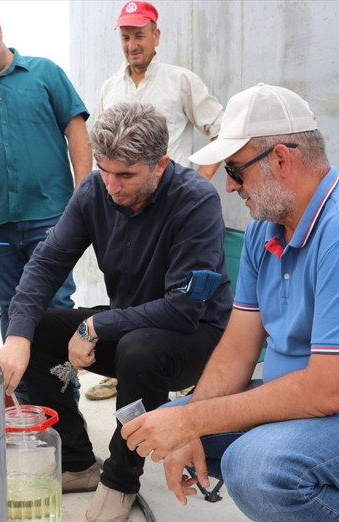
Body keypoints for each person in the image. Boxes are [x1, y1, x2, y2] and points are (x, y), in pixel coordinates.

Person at [121, 83, 339, 522]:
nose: (230, 185)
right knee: (169, 424)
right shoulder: (266, 233)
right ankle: (316, 521)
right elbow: (238, 349)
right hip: (318, 412)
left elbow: (326, 392)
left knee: (255, 469)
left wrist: (195, 423)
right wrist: (189, 423)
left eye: (236, 170)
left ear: (280, 159)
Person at [0, 102, 233, 522]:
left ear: (160, 164)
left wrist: (95, 326)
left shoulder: (195, 202)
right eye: (105, 170)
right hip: (129, 323)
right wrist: (18, 336)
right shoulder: (94, 191)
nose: (112, 186)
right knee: (40, 328)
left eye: (126, 175)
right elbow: (47, 264)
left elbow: (183, 308)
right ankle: (77, 461)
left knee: (139, 349)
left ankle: (120, 478)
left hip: (197, 335)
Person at [89, 0, 225, 402]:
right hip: (126, 210)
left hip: (172, 211)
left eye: (139, 35)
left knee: (175, 295)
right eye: (126, 37)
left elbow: (221, 129)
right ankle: (123, 369)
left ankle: (174, 368)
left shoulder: (181, 81)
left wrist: (198, 181)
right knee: (128, 289)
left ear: (156, 36)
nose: (132, 44)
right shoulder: (110, 88)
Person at [0, 6, 91, 345]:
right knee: (11, 309)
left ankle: (63, 394)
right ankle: (23, 396)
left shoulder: (45, 73)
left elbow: (77, 130)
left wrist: (84, 193)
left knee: (55, 306)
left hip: (52, 217)